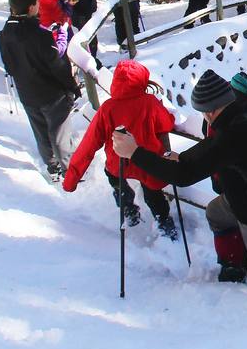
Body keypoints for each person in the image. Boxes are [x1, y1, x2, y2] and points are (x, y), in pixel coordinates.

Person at [114, 55, 247, 300]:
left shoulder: (234, 132)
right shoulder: (241, 113)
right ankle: (234, 266)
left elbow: (185, 173)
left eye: (205, 112)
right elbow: (206, 155)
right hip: (246, 198)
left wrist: (134, 152)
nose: (205, 119)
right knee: (217, 213)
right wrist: (184, 159)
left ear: (213, 109)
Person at [62, 59, 178, 238]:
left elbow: (88, 145)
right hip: (148, 162)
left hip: (119, 162)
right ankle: (163, 219)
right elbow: (167, 124)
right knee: (153, 192)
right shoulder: (150, 102)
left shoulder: (107, 109)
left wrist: (71, 179)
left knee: (115, 178)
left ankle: (128, 207)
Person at [0, 0, 79, 177]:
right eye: (38, 2)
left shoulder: (5, 34)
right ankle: (70, 171)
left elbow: (9, 65)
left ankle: (52, 166)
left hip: (27, 93)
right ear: (32, 7)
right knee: (60, 134)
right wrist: (72, 86)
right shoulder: (39, 35)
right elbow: (56, 65)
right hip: (51, 94)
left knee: (41, 133)